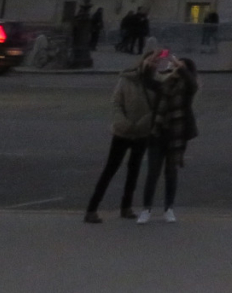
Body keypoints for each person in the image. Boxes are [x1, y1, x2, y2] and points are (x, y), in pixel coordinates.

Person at [83, 51, 157, 223]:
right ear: (143, 60)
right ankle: (92, 209)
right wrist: (123, 122)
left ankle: (126, 207)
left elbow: (157, 108)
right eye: (150, 60)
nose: (152, 64)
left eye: (156, 62)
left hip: (141, 133)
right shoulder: (126, 79)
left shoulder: (156, 83)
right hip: (122, 131)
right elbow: (116, 102)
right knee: (110, 169)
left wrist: (142, 123)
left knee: (134, 171)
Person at [137, 51, 198, 223]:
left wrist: (183, 69)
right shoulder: (163, 83)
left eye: (179, 66)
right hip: (158, 133)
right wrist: (148, 67)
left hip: (176, 135)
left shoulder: (187, 87)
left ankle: (168, 208)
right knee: (152, 173)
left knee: (171, 173)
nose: (175, 67)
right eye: (175, 65)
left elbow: (192, 84)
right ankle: (146, 209)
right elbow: (147, 82)